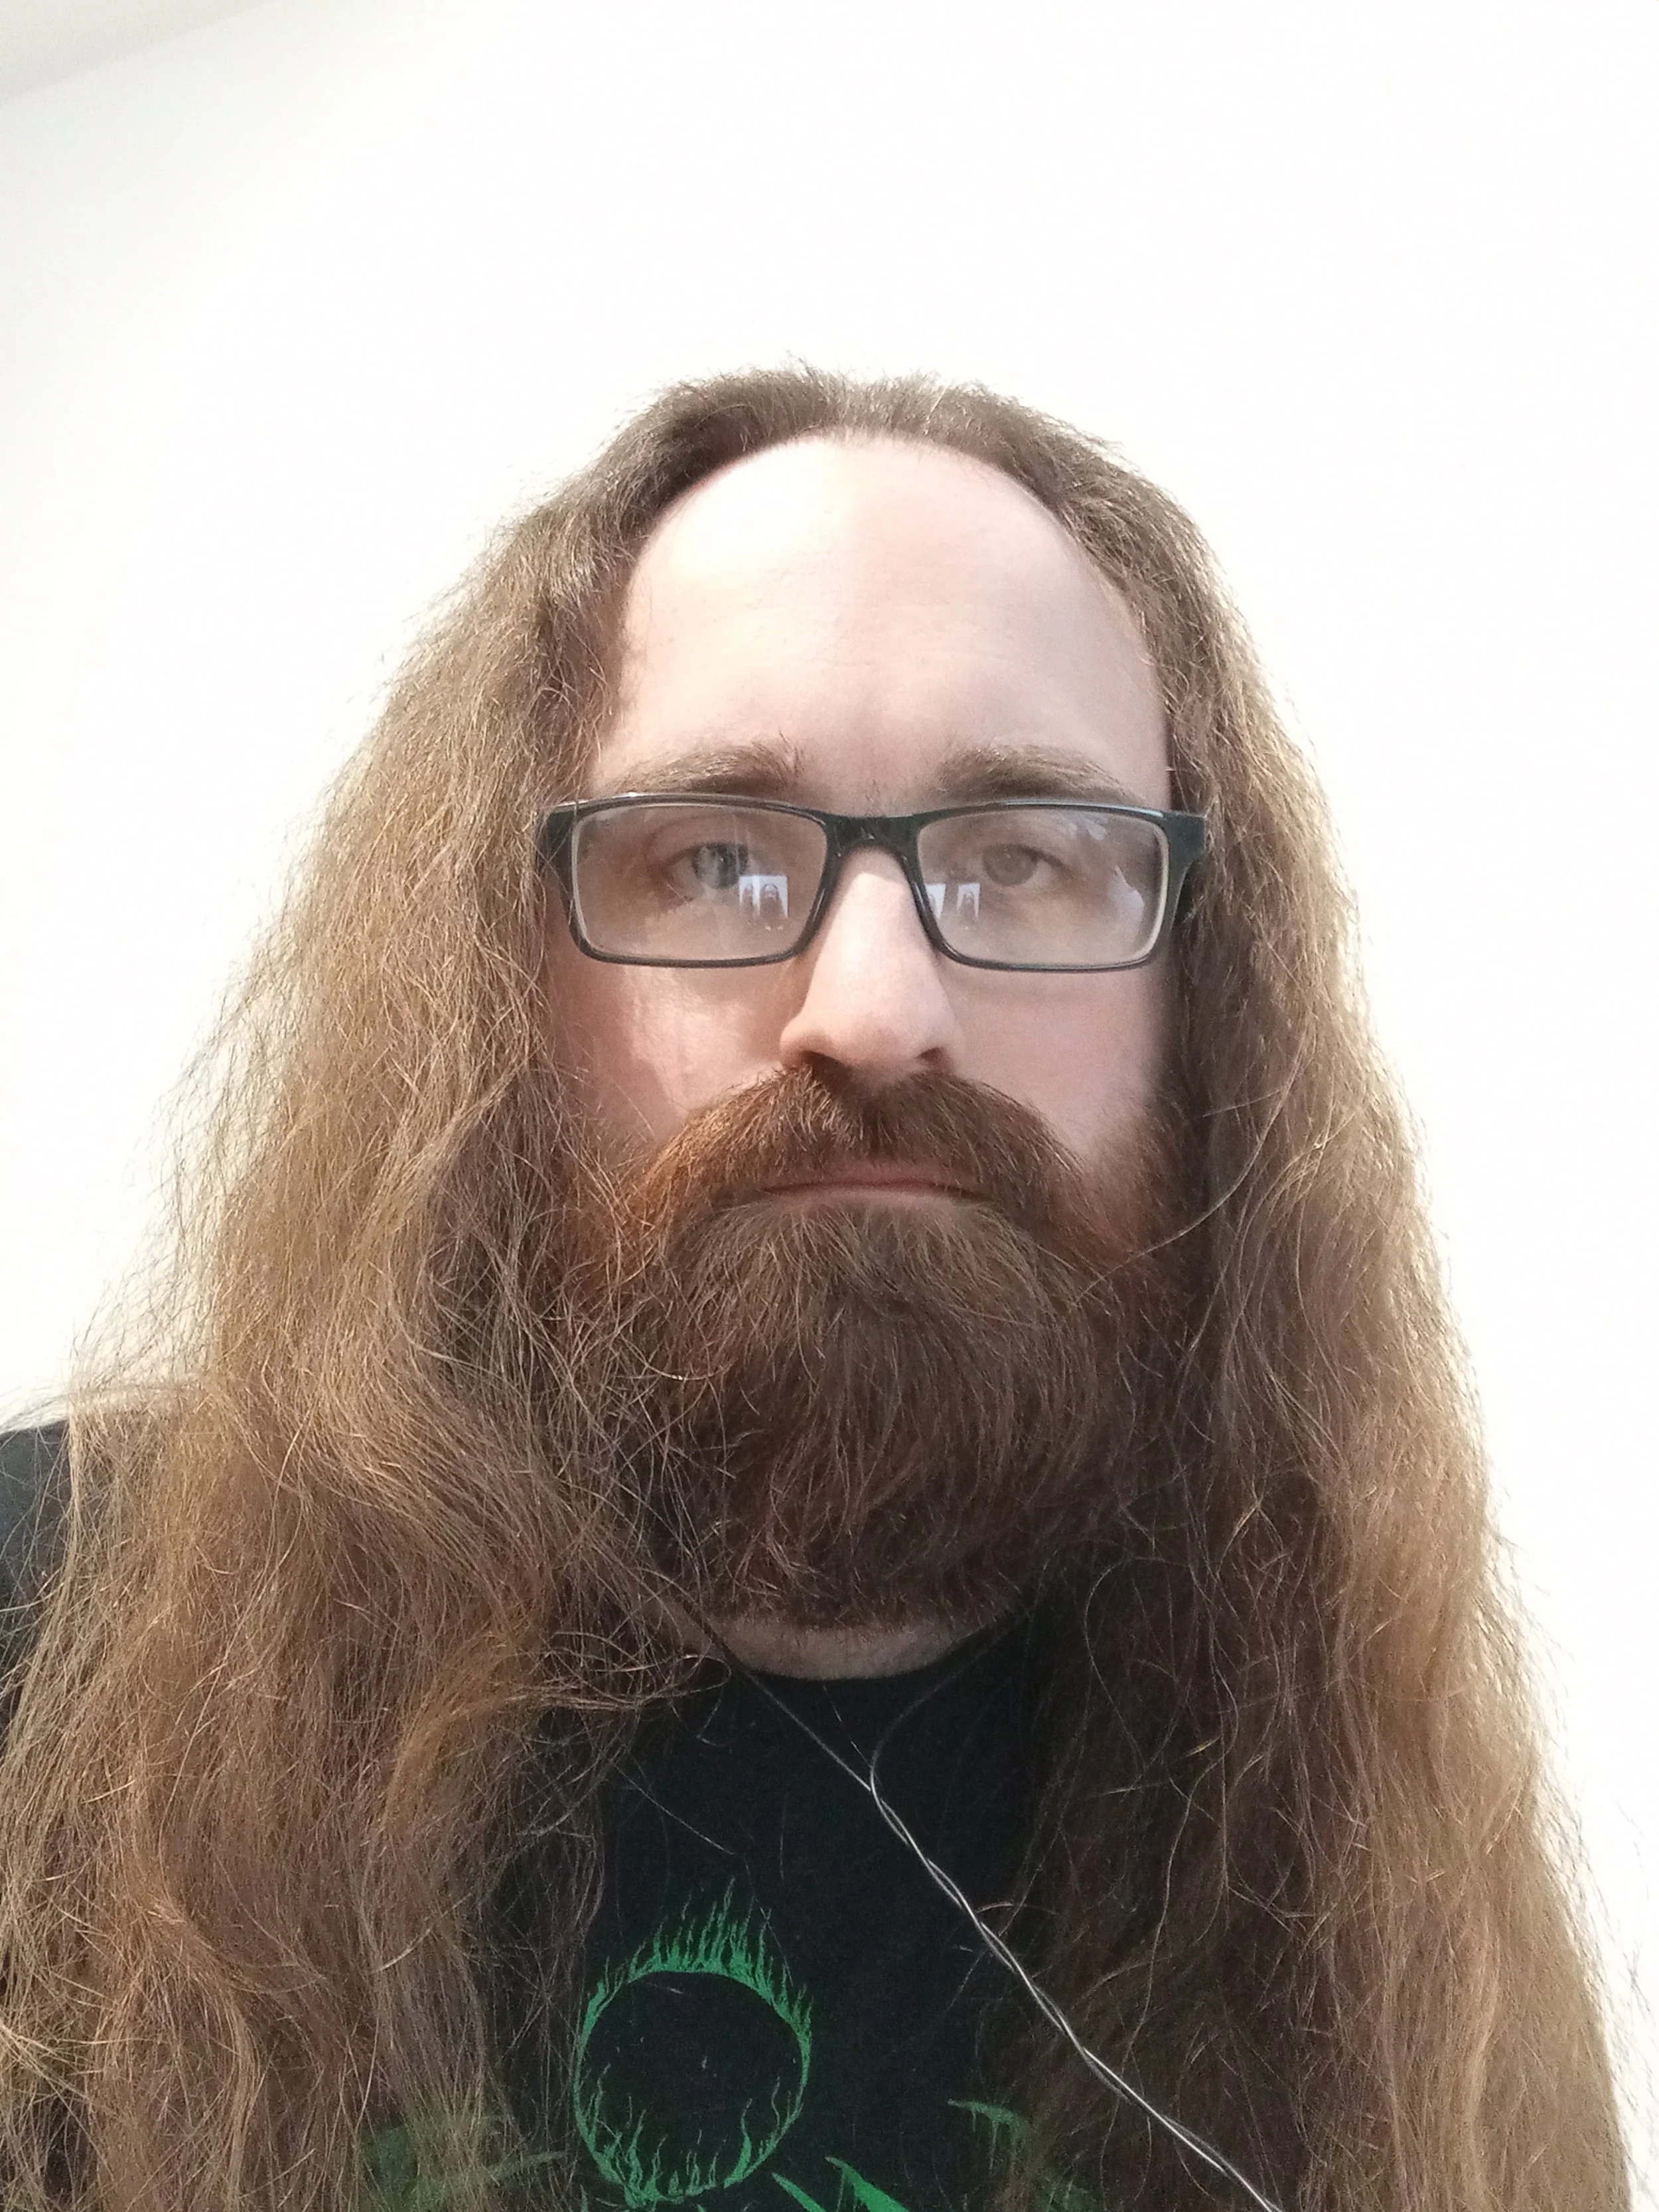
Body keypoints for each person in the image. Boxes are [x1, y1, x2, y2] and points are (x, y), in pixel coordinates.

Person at [0, 368, 1630, 2212]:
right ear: (486, 984)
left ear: (1205, 1002)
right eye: (709, 857)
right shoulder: (50, 1645)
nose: (868, 1006)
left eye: (1024, 858)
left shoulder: (1351, 1813)